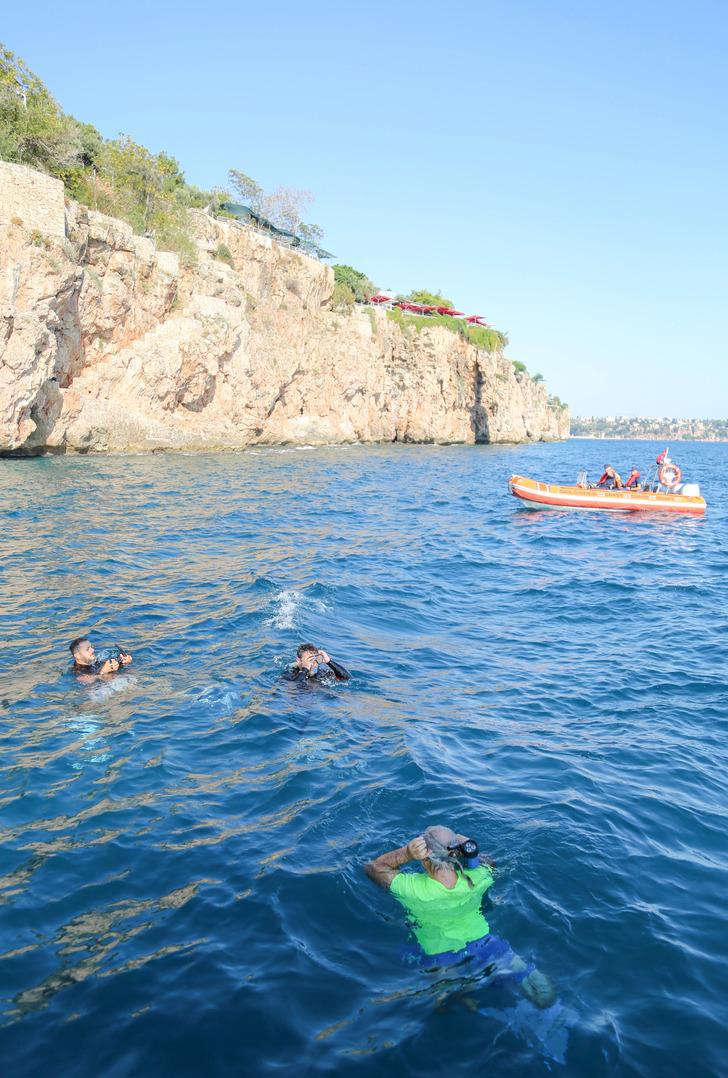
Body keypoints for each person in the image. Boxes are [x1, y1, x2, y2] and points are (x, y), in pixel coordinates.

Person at [365, 824, 555, 1008]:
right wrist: (469, 848)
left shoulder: (410, 889)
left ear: (424, 857)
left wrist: (406, 853)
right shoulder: (480, 876)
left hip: (441, 958)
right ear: (457, 853)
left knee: (442, 994)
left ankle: (461, 994)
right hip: (488, 946)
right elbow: (491, 863)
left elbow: (374, 868)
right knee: (537, 986)